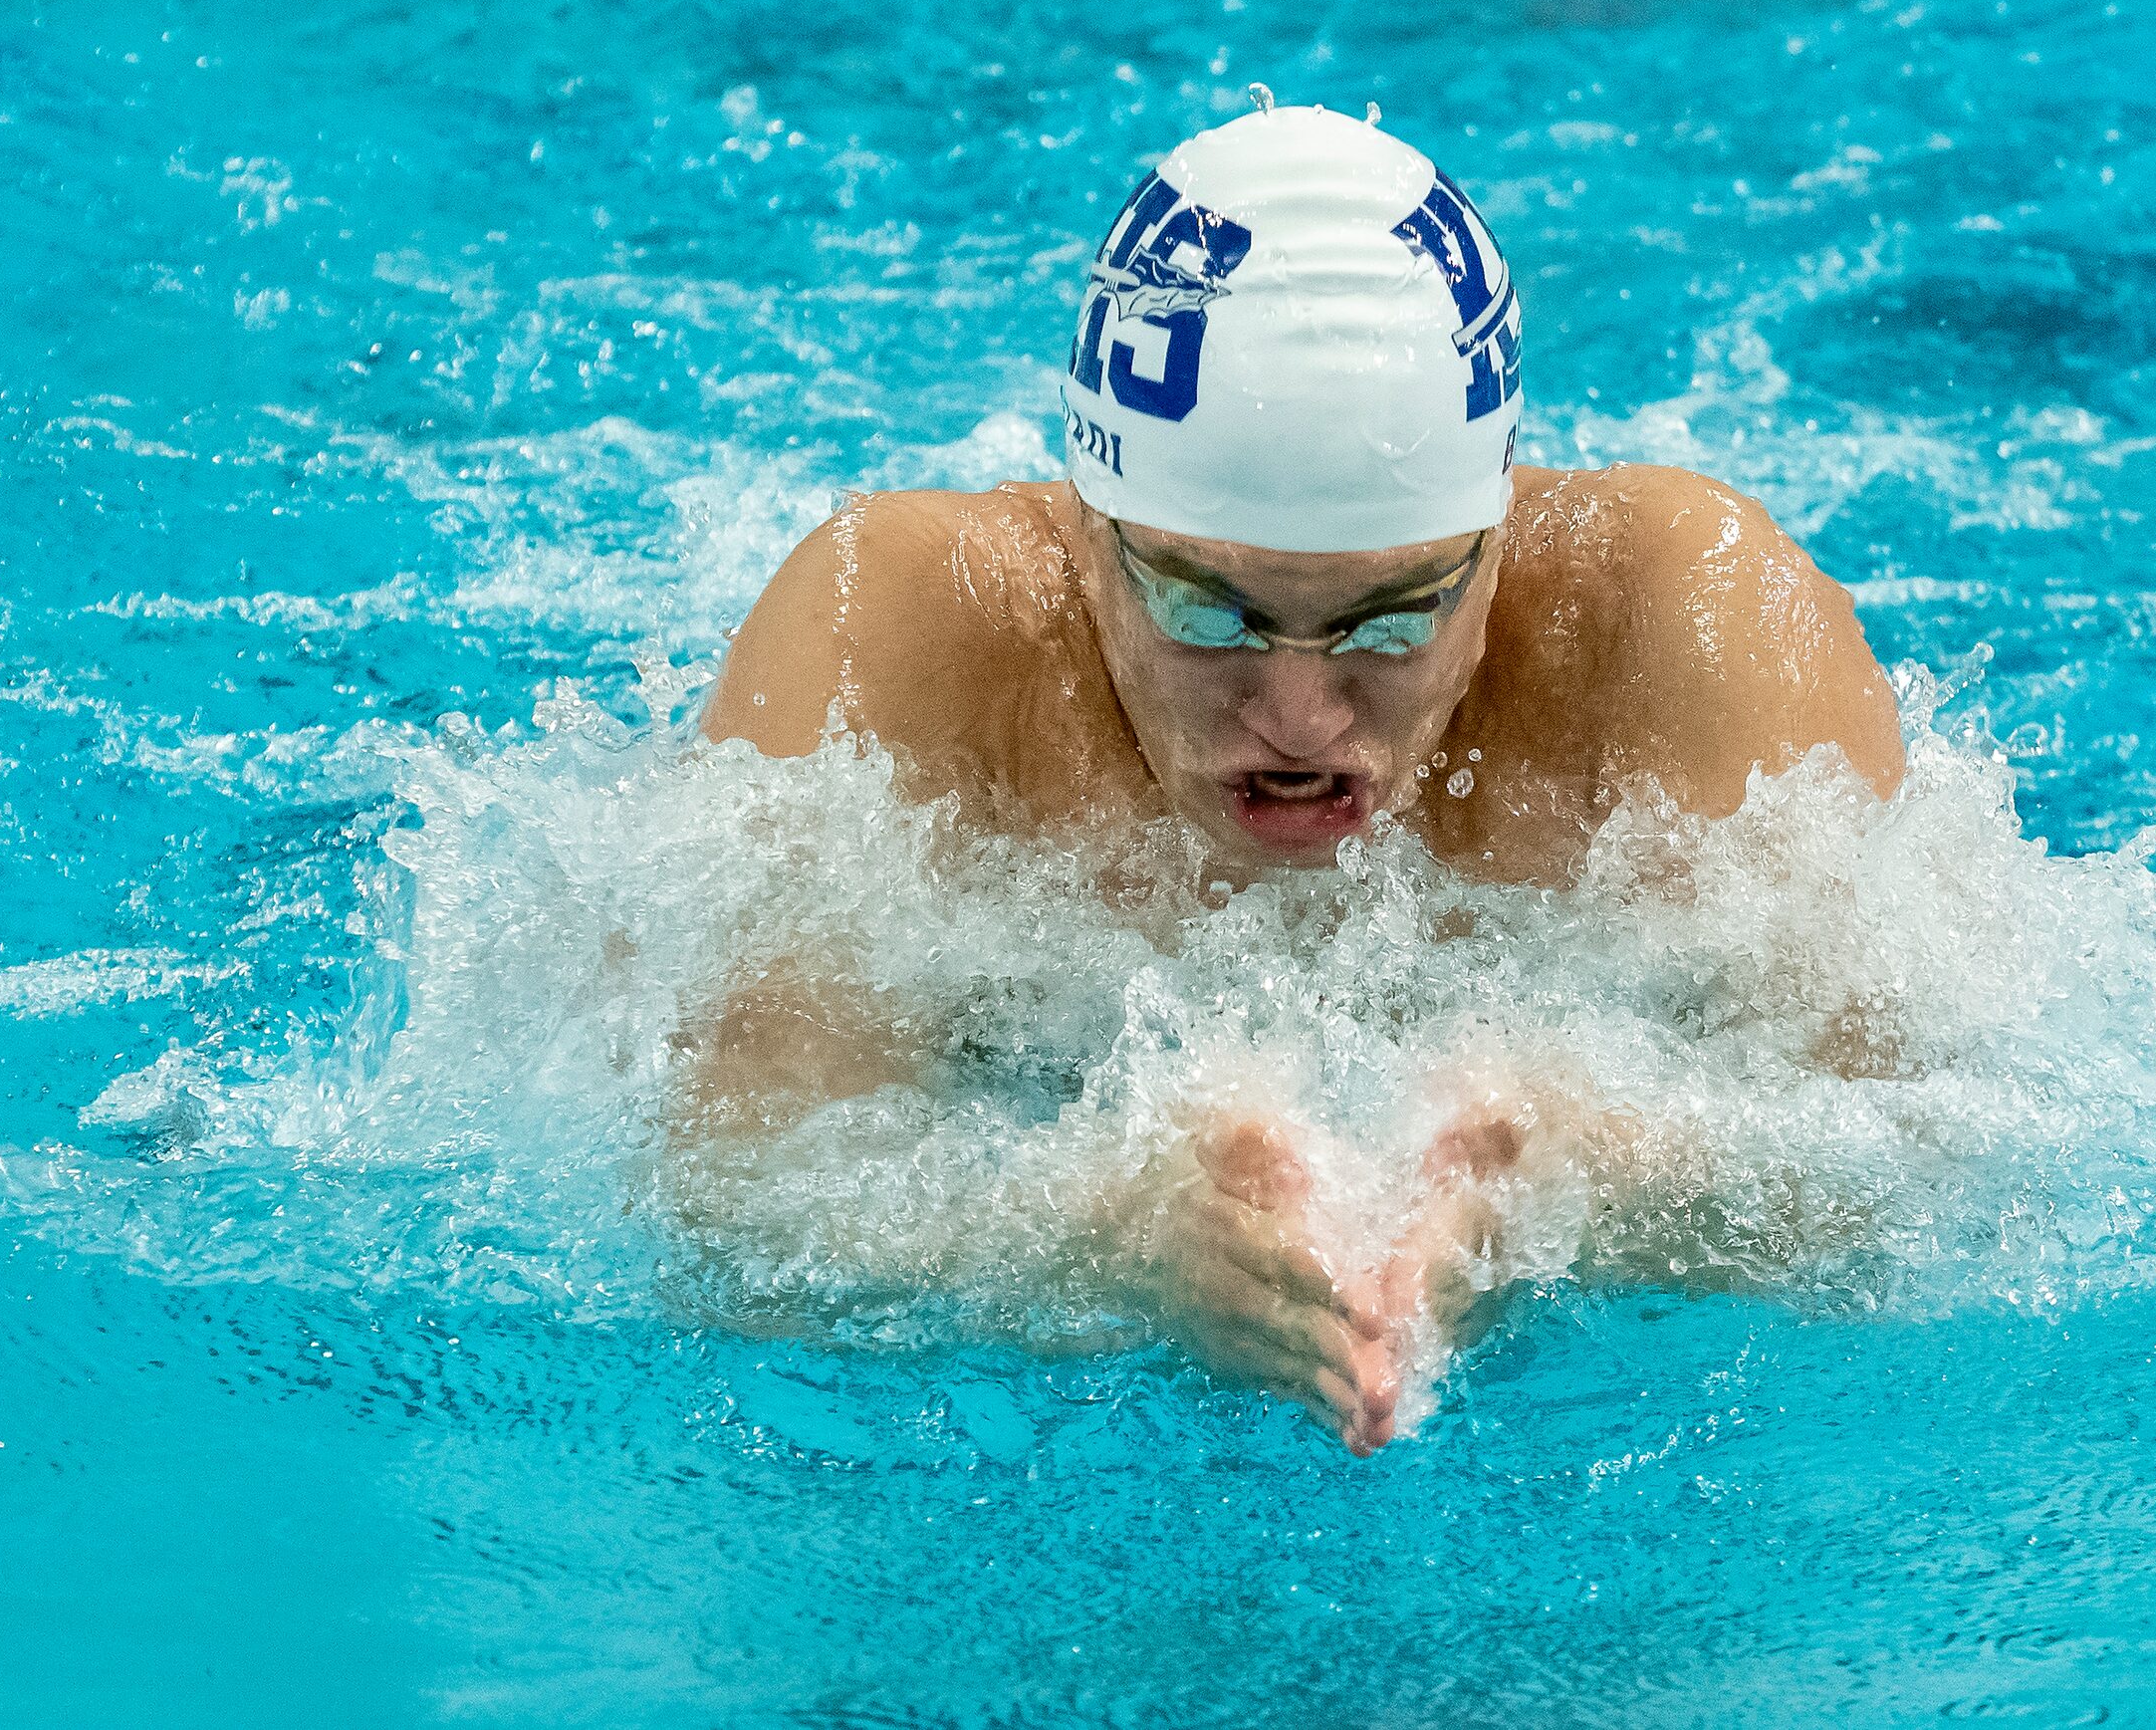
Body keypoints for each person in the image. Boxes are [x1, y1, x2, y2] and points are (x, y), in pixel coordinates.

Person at [684, 98, 1904, 1452]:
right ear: (1087, 529)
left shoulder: (1689, 631)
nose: (1303, 716)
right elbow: (726, 1189)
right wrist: (1099, 1234)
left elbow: (1939, 1154)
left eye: (1394, 618)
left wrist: (1593, 1183)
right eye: (1210, 615)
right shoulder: (897, 638)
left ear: (1493, 547)